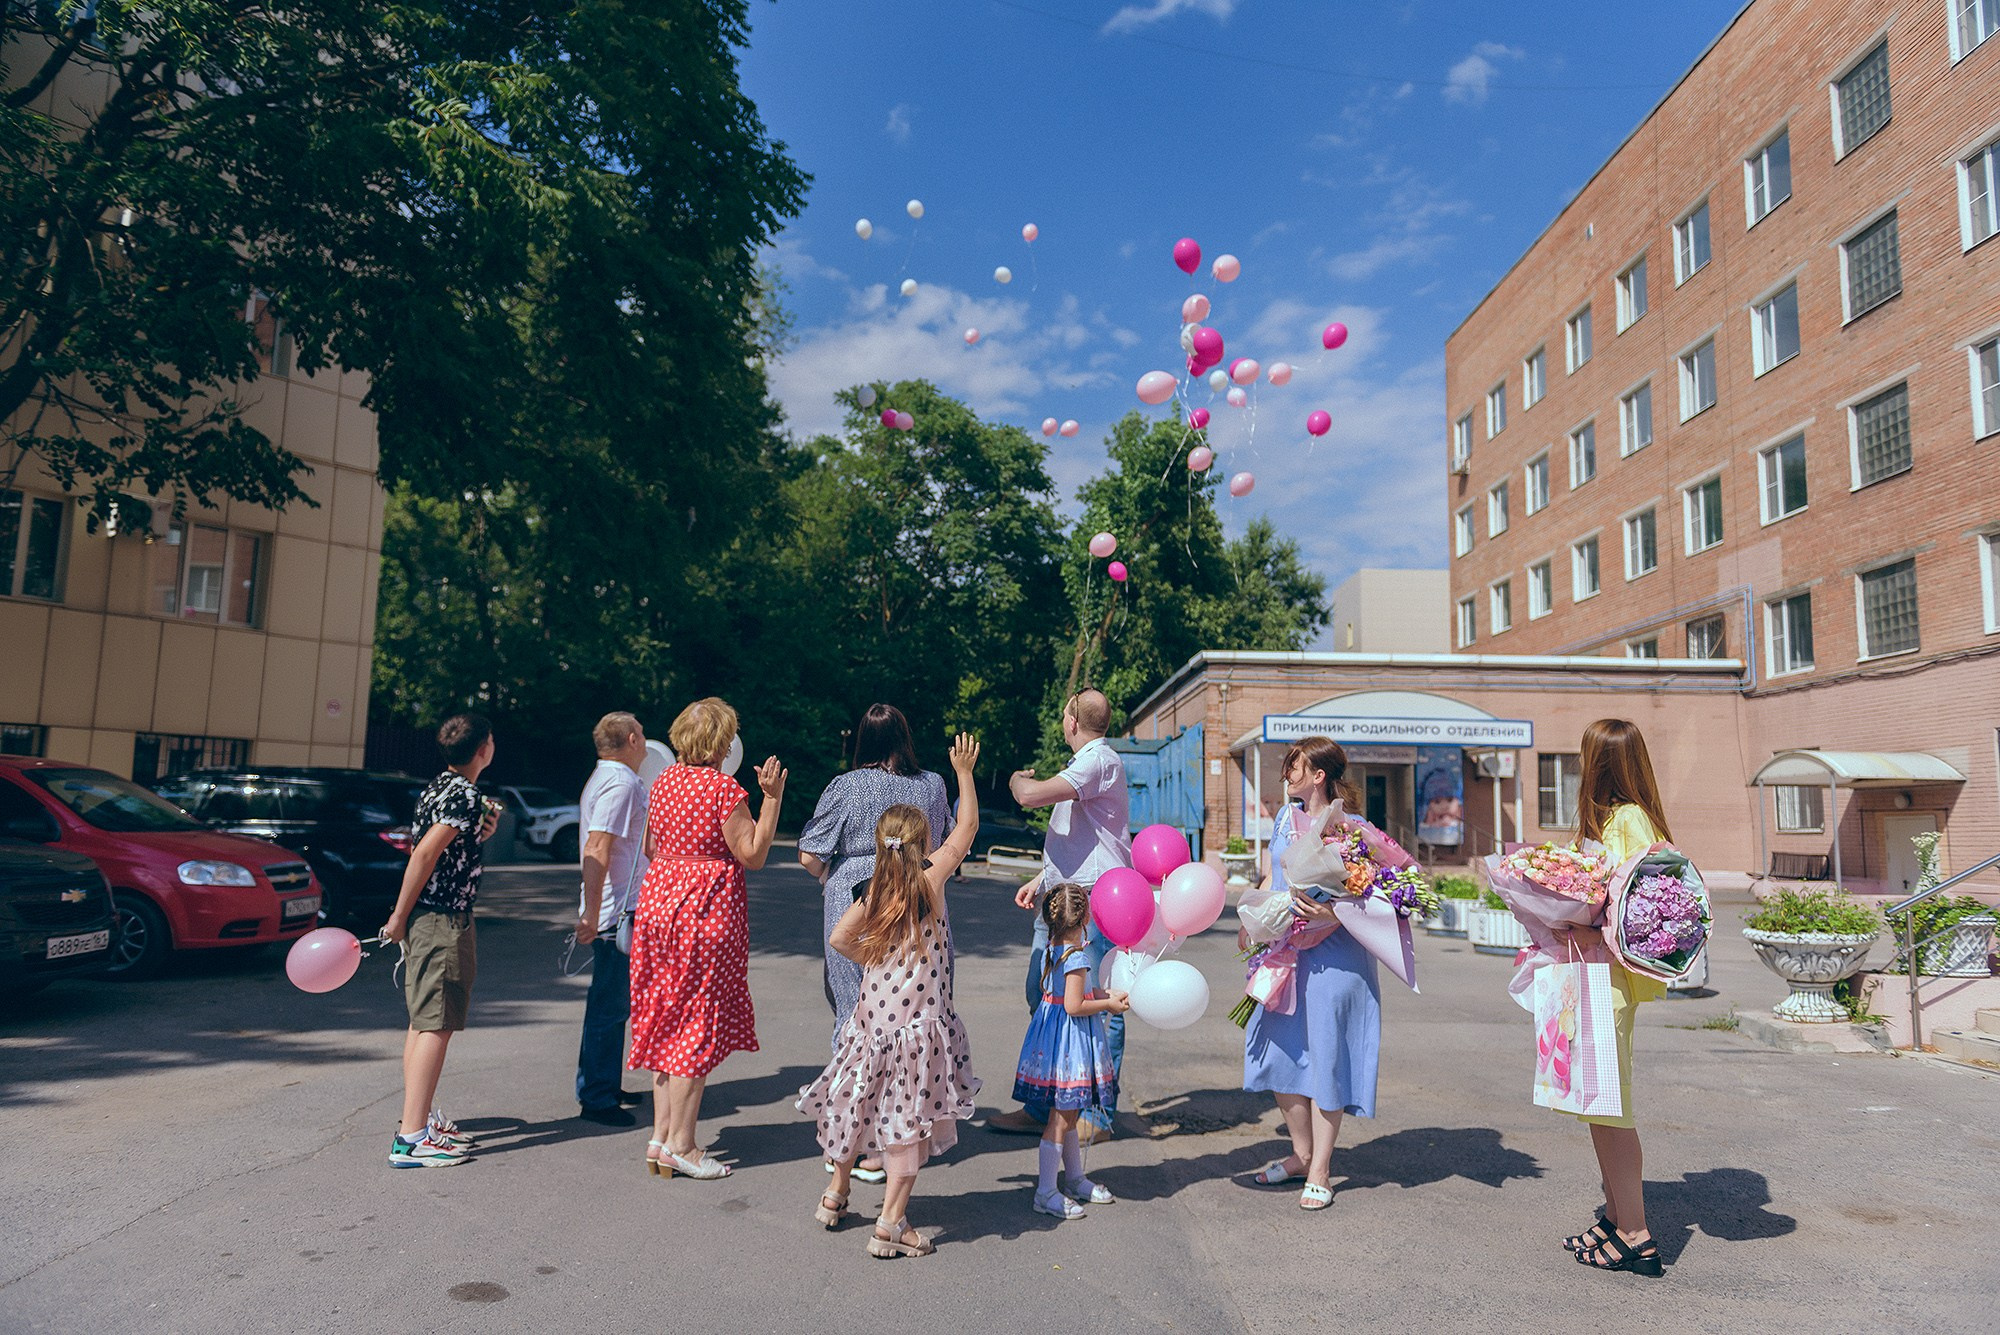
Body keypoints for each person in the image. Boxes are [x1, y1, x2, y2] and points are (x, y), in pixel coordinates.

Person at [797, 735, 982, 1259]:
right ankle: (891, 1224)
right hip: (917, 1026)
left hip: (871, 1020)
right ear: (923, 843)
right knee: (908, 1119)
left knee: (858, 1101)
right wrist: (964, 773)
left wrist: (874, 957)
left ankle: (835, 1194)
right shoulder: (931, 880)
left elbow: (840, 939)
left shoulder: (872, 889)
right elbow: (967, 828)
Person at [628, 698, 786, 1180]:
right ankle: (683, 1145)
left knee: (665, 1017)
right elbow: (753, 854)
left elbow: (652, 848)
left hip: (658, 908)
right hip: (703, 914)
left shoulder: (663, 782)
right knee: (695, 1025)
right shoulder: (723, 788)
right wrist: (772, 798)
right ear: (722, 744)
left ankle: (660, 1137)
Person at [797, 704, 954, 1183]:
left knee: (856, 1018)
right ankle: (895, 1140)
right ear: (905, 737)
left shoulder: (846, 786)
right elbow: (951, 840)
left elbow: (810, 856)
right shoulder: (932, 785)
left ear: (863, 739)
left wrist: (833, 872)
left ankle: (852, 1141)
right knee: (910, 1025)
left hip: (855, 900)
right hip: (920, 901)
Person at [1239, 736, 1381, 1211]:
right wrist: (1251, 921)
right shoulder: (1284, 818)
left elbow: (1379, 897)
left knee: (1326, 1056)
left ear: (1318, 776)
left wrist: (1332, 914)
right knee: (1278, 1050)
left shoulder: (1353, 828)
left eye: (1294, 766)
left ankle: (1320, 1168)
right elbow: (1272, 878)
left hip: (1336, 959)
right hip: (1284, 953)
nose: (1287, 774)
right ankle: (1300, 1154)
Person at [987, 689, 1131, 1143]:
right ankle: (1046, 1105)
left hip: (1094, 904)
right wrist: (1042, 876)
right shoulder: (1083, 766)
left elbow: (1029, 796)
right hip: (1062, 896)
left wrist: (1015, 778)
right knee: (1043, 995)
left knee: (1097, 1003)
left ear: (1071, 722)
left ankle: (1097, 1115)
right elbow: (1081, 837)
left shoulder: (1097, 761)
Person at [1557, 718, 1671, 1278]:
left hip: (1608, 983)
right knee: (1597, 1106)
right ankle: (1615, 1216)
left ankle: (1636, 1235)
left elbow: (1642, 912)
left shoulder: (1629, 821)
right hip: (1594, 978)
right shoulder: (1614, 820)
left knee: (1609, 1108)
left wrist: (1582, 925)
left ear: (1600, 763)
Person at [379, 713, 501, 1168]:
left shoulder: (439, 787)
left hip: (433, 918)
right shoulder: (465, 794)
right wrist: (398, 916)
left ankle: (421, 1122)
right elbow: (426, 852)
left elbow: (439, 847)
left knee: (423, 1021)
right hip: (442, 919)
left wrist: (481, 830)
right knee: (436, 1023)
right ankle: (411, 1140)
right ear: (484, 749)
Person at [1013, 881, 1129, 1219]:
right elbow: (1075, 1005)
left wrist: (1105, 993)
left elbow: (1072, 992)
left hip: (1055, 1041)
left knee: (1070, 1113)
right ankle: (1046, 1191)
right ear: (1086, 918)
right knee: (1061, 1119)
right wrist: (1108, 1004)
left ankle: (1075, 1178)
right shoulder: (1075, 956)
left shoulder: (1053, 947)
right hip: (1070, 1045)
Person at [573, 711, 650, 1126]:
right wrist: (591, 913)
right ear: (632, 740)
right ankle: (597, 1097)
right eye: (642, 732)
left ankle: (603, 1083)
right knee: (610, 1005)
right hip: (617, 913)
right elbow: (597, 848)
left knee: (612, 1003)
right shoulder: (619, 783)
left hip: (614, 909)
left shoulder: (608, 777)